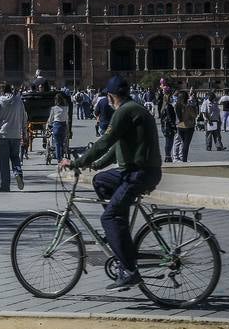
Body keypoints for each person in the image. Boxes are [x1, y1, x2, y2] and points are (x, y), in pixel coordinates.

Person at [60, 75, 162, 290]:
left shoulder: (124, 111)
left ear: (110, 96)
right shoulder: (132, 108)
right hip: (134, 171)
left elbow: (105, 141)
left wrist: (77, 162)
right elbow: (116, 148)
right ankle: (119, 231)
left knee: (109, 216)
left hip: (139, 173)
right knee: (101, 181)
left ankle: (129, 271)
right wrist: (95, 165)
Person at [0, 82, 27, 191]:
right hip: (16, 135)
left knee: (4, 161)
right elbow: (24, 118)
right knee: (15, 157)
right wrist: (24, 133)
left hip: (2, 136)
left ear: (2, 91)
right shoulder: (19, 102)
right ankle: (18, 173)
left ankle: (5, 185)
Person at [172, 90, 195, 163]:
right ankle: (184, 159)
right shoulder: (188, 106)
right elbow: (194, 115)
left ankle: (178, 157)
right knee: (186, 144)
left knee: (180, 142)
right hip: (188, 126)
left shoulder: (176, 105)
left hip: (179, 125)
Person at [49, 90, 71, 163]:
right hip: (63, 126)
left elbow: (51, 119)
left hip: (56, 125)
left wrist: (48, 125)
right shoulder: (66, 108)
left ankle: (59, 159)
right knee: (62, 143)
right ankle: (61, 156)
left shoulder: (54, 108)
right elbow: (67, 119)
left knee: (57, 143)